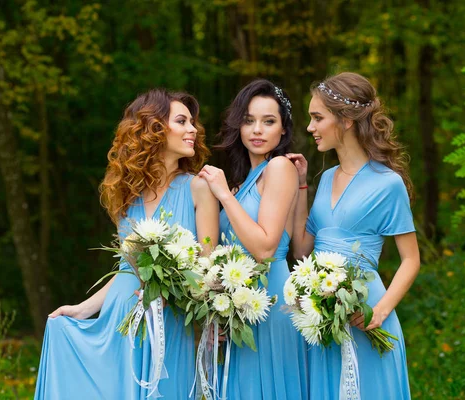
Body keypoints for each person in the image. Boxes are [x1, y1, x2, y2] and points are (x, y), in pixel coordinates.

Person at [34, 89, 219, 399]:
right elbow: (126, 269)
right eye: (182, 121)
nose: (193, 130)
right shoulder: (126, 194)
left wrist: (173, 290)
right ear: (155, 128)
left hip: (169, 321)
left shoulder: (199, 187)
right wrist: (83, 309)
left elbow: (208, 267)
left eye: (192, 122)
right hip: (120, 318)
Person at [286, 72, 420, 399]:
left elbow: (411, 260)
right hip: (324, 318)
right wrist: (302, 185)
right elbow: (303, 249)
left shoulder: (388, 183)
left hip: (366, 312)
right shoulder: (327, 176)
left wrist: (381, 311)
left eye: (318, 118)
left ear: (345, 121)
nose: (310, 127)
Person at [199, 79, 309, 400]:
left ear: (283, 131)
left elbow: (265, 248)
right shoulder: (245, 180)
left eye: (268, 121)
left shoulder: (278, 167)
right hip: (238, 306)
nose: (257, 130)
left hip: (270, 302)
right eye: (249, 120)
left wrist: (223, 195)